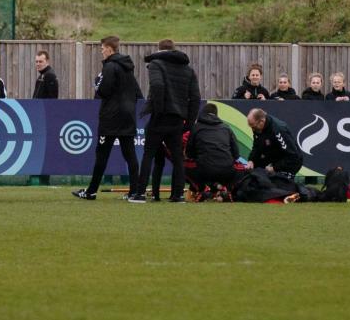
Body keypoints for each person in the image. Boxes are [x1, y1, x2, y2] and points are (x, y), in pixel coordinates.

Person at [130, 39, 200, 203]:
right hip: (178, 119)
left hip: (161, 116)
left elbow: (157, 86)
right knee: (177, 157)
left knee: (149, 154)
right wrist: (189, 122)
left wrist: (159, 110)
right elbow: (195, 98)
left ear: (159, 50)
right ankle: (178, 195)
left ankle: (140, 194)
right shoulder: (188, 70)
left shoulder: (156, 64)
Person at [72, 36, 142, 201]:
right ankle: (134, 191)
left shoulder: (109, 67)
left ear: (110, 49)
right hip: (127, 117)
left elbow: (102, 90)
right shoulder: (128, 68)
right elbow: (138, 93)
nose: (101, 51)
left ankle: (91, 191)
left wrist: (97, 82)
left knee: (102, 155)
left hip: (111, 119)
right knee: (130, 155)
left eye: (102, 48)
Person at [186, 104, 240, 198]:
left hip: (204, 170)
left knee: (181, 166)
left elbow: (189, 153)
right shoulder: (226, 128)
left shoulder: (196, 128)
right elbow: (236, 154)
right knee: (241, 169)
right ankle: (226, 189)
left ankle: (202, 188)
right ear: (216, 114)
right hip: (226, 170)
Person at [246, 108, 303, 179]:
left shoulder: (279, 130)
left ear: (262, 121)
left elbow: (293, 156)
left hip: (290, 162)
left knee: (278, 187)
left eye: (254, 127)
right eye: (251, 127)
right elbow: (257, 145)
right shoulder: (258, 128)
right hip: (274, 157)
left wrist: (274, 168)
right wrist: (251, 160)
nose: (253, 130)